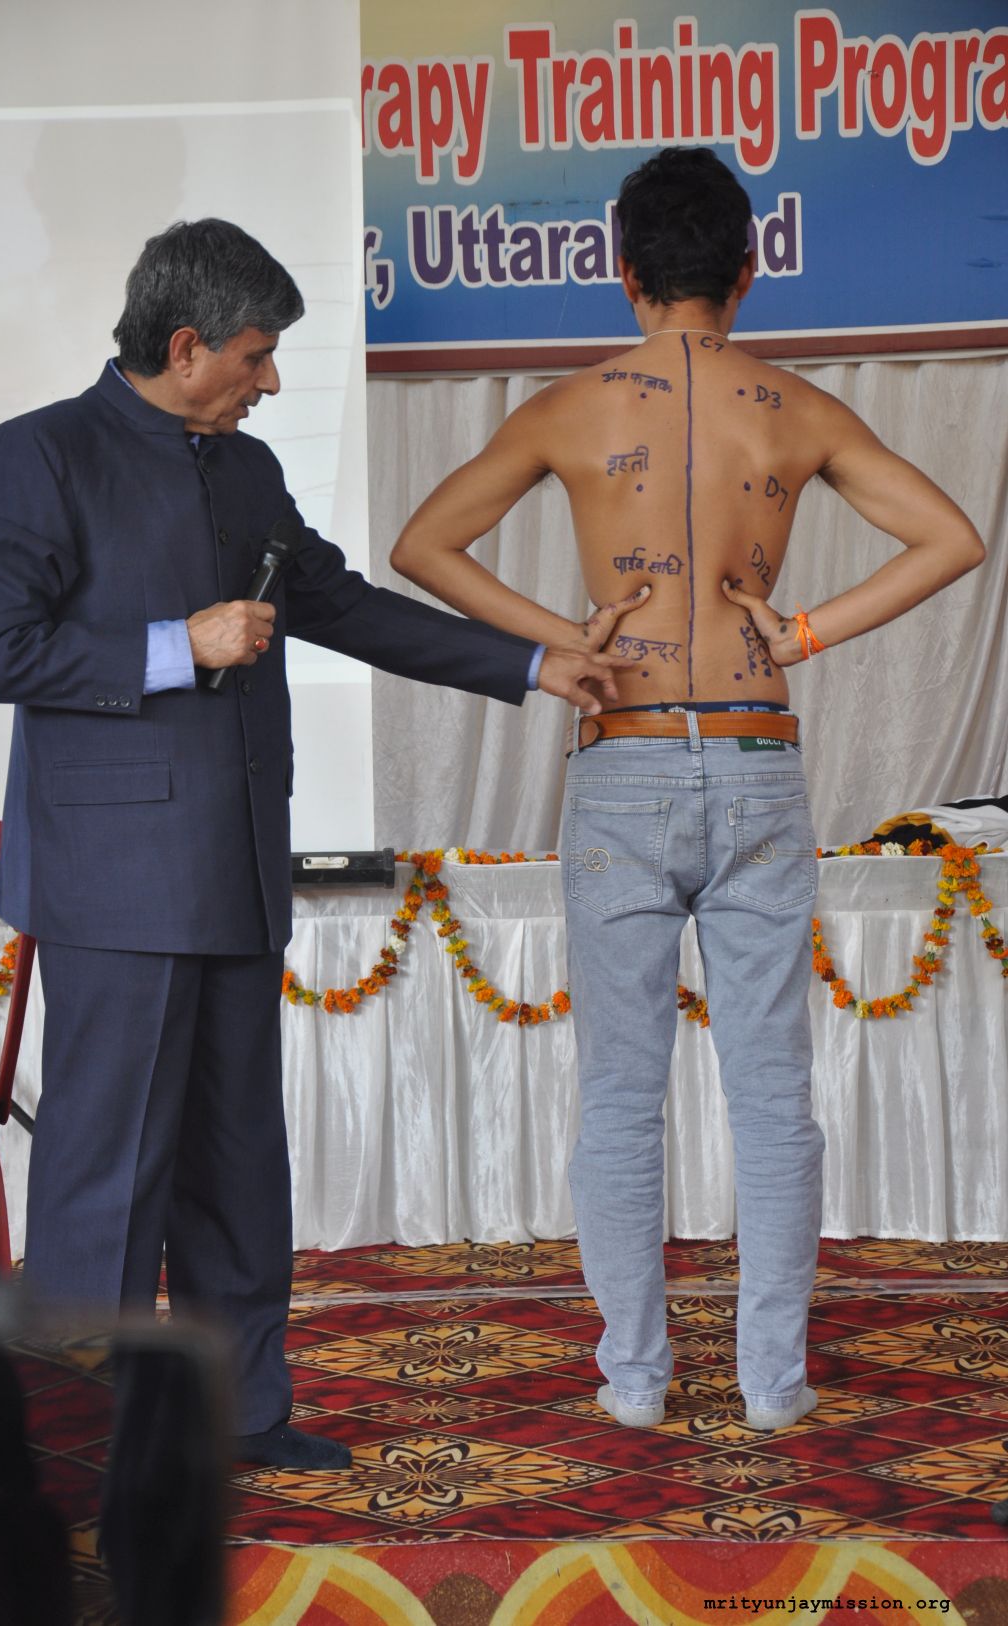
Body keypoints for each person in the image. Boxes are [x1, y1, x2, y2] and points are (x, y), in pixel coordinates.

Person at [0, 218, 642, 1470]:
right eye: (257, 356)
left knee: (237, 1171)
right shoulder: (38, 454)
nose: (270, 382)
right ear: (186, 347)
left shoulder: (249, 469)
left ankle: (242, 1419)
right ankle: (77, 1454)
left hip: (234, 871)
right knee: (105, 1183)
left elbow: (343, 606)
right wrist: (181, 644)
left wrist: (535, 663)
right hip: (113, 888)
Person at [390, 148, 985, 1432]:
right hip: (759, 757)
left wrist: (561, 646)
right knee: (772, 1097)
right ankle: (774, 1385)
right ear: (749, 273)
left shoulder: (567, 407)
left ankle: (636, 1381)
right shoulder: (797, 407)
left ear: (622, 273)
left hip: (626, 754)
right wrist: (806, 631)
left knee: (620, 1096)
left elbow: (420, 545)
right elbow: (955, 536)